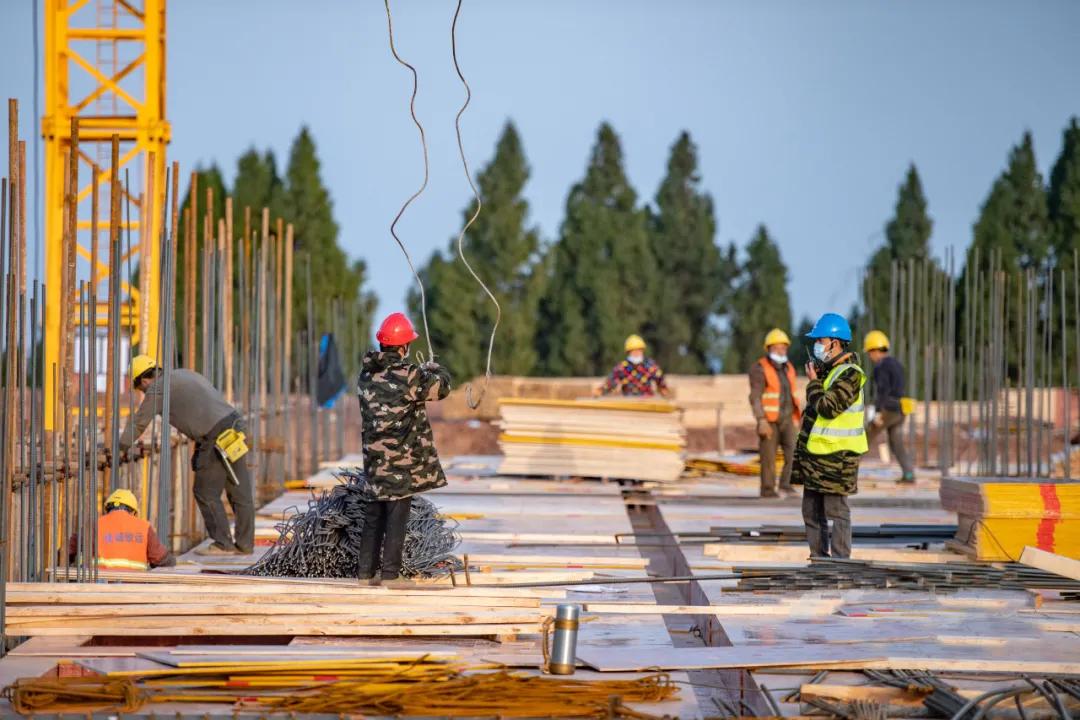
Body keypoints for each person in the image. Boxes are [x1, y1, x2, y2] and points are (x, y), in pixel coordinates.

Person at [118, 355, 254, 556]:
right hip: (234, 427)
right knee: (239, 490)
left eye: (140, 389)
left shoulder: (157, 389)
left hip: (215, 436)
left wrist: (120, 446)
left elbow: (139, 423)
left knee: (205, 491)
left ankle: (223, 544)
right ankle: (245, 544)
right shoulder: (184, 374)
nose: (143, 392)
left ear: (144, 381)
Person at [356, 312, 452, 587]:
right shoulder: (408, 375)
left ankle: (365, 574)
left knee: (374, 515)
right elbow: (442, 389)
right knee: (397, 515)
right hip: (400, 460)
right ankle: (390, 575)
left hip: (374, 459)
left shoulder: (366, 375)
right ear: (403, 347)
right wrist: (435, 370)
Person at [791, 313, 868, 558]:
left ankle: (840, 564)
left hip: (838, 459)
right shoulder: (827, 372)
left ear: (835, 342)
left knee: (837, 511)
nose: (817, 346)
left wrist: (812, 384)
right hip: (817, 458)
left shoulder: (850, 374)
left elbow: (828, 407)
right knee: (811, 512)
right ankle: (819, 560)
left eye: (820, 340)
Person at [749, 328, 801, 498]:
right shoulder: (760, 368)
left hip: (787, 419)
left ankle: (786, 485)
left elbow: (791, 394)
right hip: (769, 421)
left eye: (784, 348)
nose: (781, 351)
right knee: (768, 458)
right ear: (769, 348)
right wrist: (761, 420)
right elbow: (755, 397)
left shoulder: (789, 368)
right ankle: (768, 490)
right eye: (778, 347)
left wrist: (795, 417)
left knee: (794, 452)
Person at [68, 489, 175, 571]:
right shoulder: (144, 527)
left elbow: (67, 551)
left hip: (100, 588)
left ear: (108, 509)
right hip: (134, 590)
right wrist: (172, 561)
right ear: (133, 512)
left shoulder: (93, 525)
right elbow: (162, 559)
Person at [863, 330, 915, 484]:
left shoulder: (881, 366)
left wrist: (877, 411)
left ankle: (847, 473)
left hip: (888, 409)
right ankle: (909, 474)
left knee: (865, 436)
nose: (870, 356)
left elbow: (883, 390)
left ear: (875, 350)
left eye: (870, 352)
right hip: (901, 408)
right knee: (896, 441)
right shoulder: (896, 363)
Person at [596, 335, 672, 398]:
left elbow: (660, 382)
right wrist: (601, 390)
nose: (636, 352)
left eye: (638, 350)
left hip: (647, 400)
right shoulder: (622, 367)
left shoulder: (650, 366)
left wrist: (664, 391)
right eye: (633, 350)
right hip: (629, 401)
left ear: (642, 350)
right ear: (628, 352)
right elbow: (611, 383)